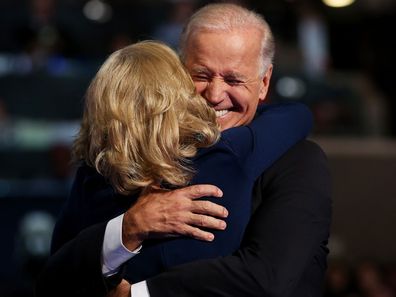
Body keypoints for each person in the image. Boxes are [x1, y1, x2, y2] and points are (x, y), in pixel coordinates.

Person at [37, 3, 331, 297]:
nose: (215, 95)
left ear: (264, 82)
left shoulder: (296, 160)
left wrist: (137, 294)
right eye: (201, 75)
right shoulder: (111, 163)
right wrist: (129, 227)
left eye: (233, 79)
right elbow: (53, 280)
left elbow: (267, 277)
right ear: (177, 73)